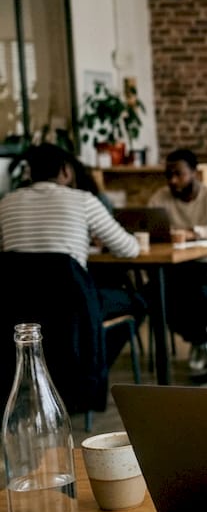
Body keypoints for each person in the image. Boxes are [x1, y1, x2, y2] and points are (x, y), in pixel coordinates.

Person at [0, 143, 145, 364]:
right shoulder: (83, 200)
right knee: (138, 302)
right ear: (66, 170)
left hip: (18, 305)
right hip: (72, 307)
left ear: (30, 171)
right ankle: (95, 364)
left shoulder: (6, 203)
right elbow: (129, 249)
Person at [148, 148, 207, 376]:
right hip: (179, 266)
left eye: (179, 174)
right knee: (157, 292)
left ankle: (202, 342)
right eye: (168, 175)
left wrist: (195, 232)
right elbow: (148, 226)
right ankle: (200, 342)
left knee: (198, 290)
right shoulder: (160, 198)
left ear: (195, 173)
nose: (172, 180)